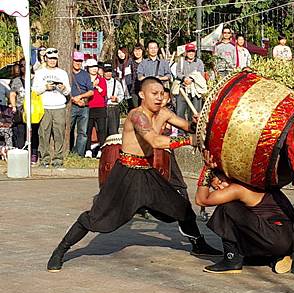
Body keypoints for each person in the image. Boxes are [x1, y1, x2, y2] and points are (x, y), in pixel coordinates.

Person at [46, 76, 220, 272]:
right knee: (96, 218)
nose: (158, 97)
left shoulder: (164, 113)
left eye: (161, 93)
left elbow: (189, 127)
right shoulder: (136, 116)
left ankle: (198, 244)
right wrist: (189, 141)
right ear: (141, 94)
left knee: (182, 207)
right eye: (154, 93)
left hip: (148, 172)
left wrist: (198, 124)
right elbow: (155, 141)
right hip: (125, 174)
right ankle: (61, 250)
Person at [195, 151, 294, 274]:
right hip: (289, 238)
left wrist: (207, 169)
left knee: (226, 208)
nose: (220, 188)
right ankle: (279, 256)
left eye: (220, 182)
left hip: (277, 235)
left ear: (228, 174)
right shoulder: (253, 181)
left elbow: (201, 200)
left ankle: (231, 260)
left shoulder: (239, 188)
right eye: (215, 188)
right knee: (242, 218)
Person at [31, 47, 71, 167]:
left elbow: (68, 91)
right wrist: (45, 88)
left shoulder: (62, 73)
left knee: (59, 134)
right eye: (50, 58)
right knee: (43, 134)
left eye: (54, 59)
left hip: (59, 107)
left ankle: (58, 159)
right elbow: (34, 91)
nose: (53, 61)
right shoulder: (39, 73)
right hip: (44, 107)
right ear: (46, 59)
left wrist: (63, 88)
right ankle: (44, 159)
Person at [174, 43, 205, 125]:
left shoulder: (199, 62)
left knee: (195, 112)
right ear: (186, 52)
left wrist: (191, 79)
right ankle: (181, 132)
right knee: (180, 112)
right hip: (182, 88)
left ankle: (193, 131)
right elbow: (178, 72)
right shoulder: (181, 61)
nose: (191, 53)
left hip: (195, 90)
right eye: (189, 51)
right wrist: (184, 78)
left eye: (192, 51)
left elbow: (200, 74)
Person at [69, 51, 94, 157]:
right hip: (71, 105)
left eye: (80, 61)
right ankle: (68, 150)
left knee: (82, 132)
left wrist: (81, 97)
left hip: (84, 106)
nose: (78, 63)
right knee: (68, 129)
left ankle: (78, 154)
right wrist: (74, 99)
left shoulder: (85, 74)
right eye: (76, 60)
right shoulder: (68, 73)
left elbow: (91, 91)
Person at [84, 59, 107, 158]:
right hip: (89, 107)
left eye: (95, 67)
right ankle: (88, 149)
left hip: (100, 107)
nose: (94, 69)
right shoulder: (85, 79)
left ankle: (101, 150)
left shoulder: (101, 80)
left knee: (101, 130)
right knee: (88, 129)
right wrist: (92, 85)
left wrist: (97, 87)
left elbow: (104, 93)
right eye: (91, 67)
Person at [104, 63, 125, 136]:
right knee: (103, 132)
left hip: (113, 108)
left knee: (113, 132)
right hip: (103, 108)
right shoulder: (100, 81)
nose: (108, 73)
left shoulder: (117, 83)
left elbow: (122, 94)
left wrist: (117, 99)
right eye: (106, 71)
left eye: (110, 71)